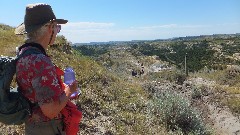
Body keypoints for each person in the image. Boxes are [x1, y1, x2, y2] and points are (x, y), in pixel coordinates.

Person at [15, 3, 82, 135]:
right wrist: (69, 90)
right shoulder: (40, 61)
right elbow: (51, 111)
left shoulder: (24, 52)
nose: (57, 31)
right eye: (57, 27)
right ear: (49, 28)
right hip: (47, 128)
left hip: (32, 125)